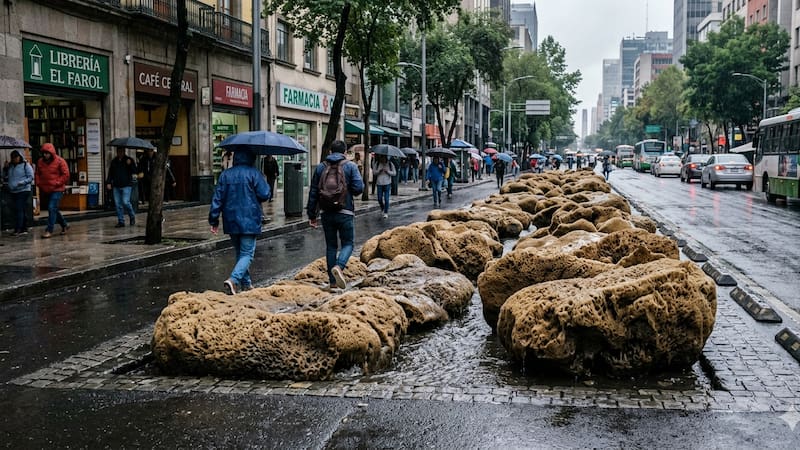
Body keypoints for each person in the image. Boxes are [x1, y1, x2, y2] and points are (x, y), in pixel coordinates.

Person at [209, 150, 271, 295]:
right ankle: (233, 280)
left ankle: (247, 284)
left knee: (240, 252)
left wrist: (214, 219)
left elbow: (217, 199)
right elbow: (265, 194)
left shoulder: (225, 175)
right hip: (249, 219)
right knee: (247, 254)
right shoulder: (254, 173)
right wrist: (264, 180)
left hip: (231, 219)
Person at [307, 140, 364, 291]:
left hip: (326, 213)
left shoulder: (321, 167)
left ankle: (332, 282)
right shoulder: (350, 166)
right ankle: (339, 266)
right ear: (345, 152)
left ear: (330, 152)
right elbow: (359, 188)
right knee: (348, 243)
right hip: (345, 211)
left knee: (331, 246)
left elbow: (313, 192)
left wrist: (312, 214)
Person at [34, 143, 70, 238]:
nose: (45, 155)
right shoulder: (40, 162)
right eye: (44, 153)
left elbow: (66, 175)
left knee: (51, 208)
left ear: (52, 153)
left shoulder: (60, 161)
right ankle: (65, 225)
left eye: (47, 153)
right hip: (45, 188)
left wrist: (57, 183)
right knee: (54, 209)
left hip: (57, 189)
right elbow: (37, 173)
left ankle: (49, 230)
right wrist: (38, 182)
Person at [106, 147, 138, 228]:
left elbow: (134, 171)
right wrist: (109, 182)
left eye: (121, 151)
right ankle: (121, 221)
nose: (119, 153)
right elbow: (110, 173)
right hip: (116, 185)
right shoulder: (114, 161)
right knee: (118, 204)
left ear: (124, 151)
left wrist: (130, 164)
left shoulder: (129, 160)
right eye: (118, 151)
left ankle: (132, 216)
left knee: (125, 202)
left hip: (126, 185)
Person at [6, 150, 34, 236]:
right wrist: (5, 168)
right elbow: (6, 176)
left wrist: (22, 182)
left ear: (19, 157)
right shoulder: (10, 166)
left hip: (23, 190)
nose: (15, 159)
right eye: (13, 158)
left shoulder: (26, 165)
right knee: (19, 209)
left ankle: (18, 229)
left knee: (19, 209)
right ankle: (23, 228)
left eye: (16, 157)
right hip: (13, 191)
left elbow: (31, 177)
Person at [373, 154, 395, 219]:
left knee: (386, 199)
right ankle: (382, 208)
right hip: (379, 183)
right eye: (381, 158)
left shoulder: (390, 164)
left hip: (387, 183)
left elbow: (394, 173)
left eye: (384, 158)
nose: (382, 159)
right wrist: (378, 171)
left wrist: (387, 171)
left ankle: (386, 212)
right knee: (379, 198)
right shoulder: (377, 164)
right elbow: (374, 172)